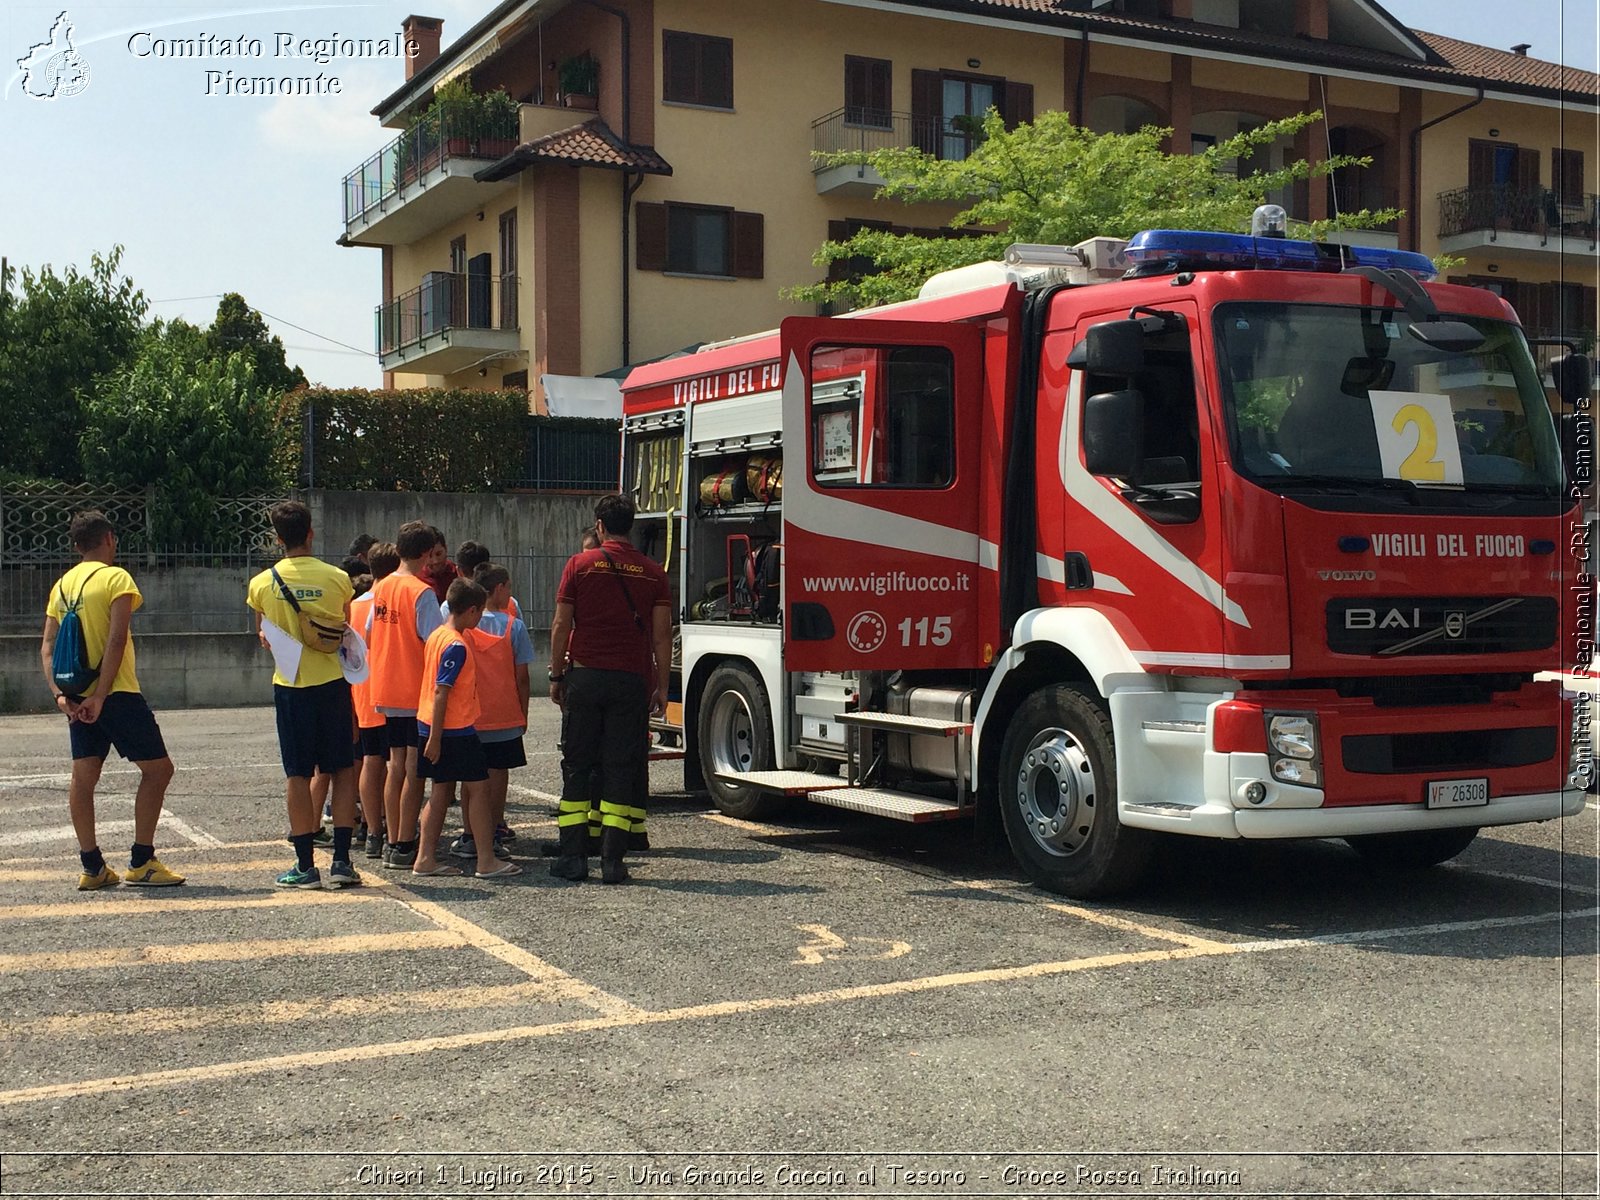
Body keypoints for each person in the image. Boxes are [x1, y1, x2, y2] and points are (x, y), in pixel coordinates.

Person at [40, 511, 185, 891]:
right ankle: (141, 860)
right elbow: (116, 640)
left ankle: (92, 866)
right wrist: (102, 695)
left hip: (74, 695)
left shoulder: (62, 586)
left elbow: (47, 646)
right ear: (109, 539)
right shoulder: (116, 578)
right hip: (116, 692)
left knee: (83, 777)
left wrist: (60, 696)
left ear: (75, 545)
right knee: (158, 770)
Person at [548, 494, 671, 884]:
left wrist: (555, 676)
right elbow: (663, 636)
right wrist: (662, 686)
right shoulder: (653, 572)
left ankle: (574, 856)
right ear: (630, 525)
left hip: (585, 676)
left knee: (578, 765)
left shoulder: (580, 565)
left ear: (599, 525)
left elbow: (560, 625)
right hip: (631, 681)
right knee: (621, 767)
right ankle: (613, 861)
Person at [247, 500, 360, 890]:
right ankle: (343, 862)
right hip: (333, 684)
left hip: (291, 685)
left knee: (297, 774)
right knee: (343, 770)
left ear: (278, 539)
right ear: (311, 532)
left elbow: (263, 636)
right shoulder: (338, 578)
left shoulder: (261, 584)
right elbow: (343, 629)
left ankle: (304, 865)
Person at [414, 578, 519, 879]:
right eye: (479, 614)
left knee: (440, 792)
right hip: (454, 730)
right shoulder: (456, 645)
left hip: (433, 725)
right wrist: (436, 738)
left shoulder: (436, 635)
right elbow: (441, 691)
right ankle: (486, 860)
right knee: (479, 790)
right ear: (471, 611)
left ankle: (425, 858)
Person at [367, 521, 443, 869]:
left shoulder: (381, 587)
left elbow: (370, 630)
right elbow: (435, 641)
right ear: (427, 553)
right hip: (414, 688)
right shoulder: (421, 591)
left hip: (385, 685)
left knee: (394, 764)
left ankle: (390, 839)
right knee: (414, 769)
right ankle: (404, 842)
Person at [450, 563, 533, 861]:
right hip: (505, 714)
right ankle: (495, 830)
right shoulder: (514, 626)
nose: (511, 594)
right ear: (498, 589)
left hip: (469, 714)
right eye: (509, 587)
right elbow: (522, 677)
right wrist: (523, 711)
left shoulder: (464, 625)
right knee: (498, 775)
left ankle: (469, 835)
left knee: (469, 780)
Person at [352, 542, 400, 858]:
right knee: (397, 763)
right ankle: (396, 828)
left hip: (363, 690)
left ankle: (372, 831)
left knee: (370, 759)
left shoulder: (354, 605)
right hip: (396, 689)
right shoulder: (395, 599)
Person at [419, 526, 458, 603]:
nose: (435, 561)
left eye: (438, 554)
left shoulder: (457, 574)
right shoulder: (417, 578)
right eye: (429, 556)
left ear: (446, 549)